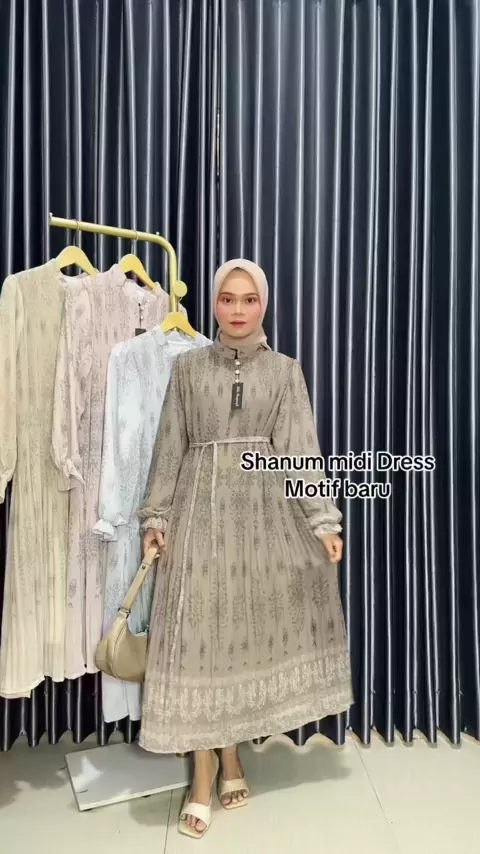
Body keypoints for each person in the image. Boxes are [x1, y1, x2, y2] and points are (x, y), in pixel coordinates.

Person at [139, 259, 353, 839]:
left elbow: (301, 451)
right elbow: (169, 446)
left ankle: (231, 756)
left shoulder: (284, 372)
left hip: (263, 522)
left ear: (263, 304)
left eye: (249, 299)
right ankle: (204, 774)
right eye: (228, 299)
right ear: (213, 304)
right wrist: (156, 516)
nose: (238, 310)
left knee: (238, 643)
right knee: (199, 641)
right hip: (197, 520)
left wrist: (322, 521)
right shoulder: (187, 369)